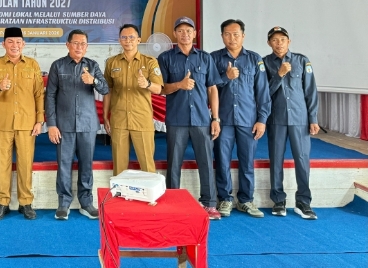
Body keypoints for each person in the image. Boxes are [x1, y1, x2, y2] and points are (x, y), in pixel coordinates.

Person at [157, 17, 222, 220]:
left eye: (188, 30)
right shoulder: (165, 58)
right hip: (177, 119)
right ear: (175, 34)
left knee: (206, 161)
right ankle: (172, 202)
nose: (184, 34)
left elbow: (212, 89)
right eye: (180, 31)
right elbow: (161, 89)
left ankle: (209, 203)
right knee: (174, 163)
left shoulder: (205, 58)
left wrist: (215, 118)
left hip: (202, 119)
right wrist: (179, 85)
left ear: (195, 34)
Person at [210, 19, 271, 219]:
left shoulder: (255, 59)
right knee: (222, 160)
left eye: (236, 34)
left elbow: (263, 92)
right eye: (227, 34)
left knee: (247, 162)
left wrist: (262, 119)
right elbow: (208, 89)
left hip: (248, 120)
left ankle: (245, 200)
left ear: (243, 36)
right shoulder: (214, 58)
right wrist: (225, 77)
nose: (232, 38)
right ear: (222, 36)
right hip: (223, 120)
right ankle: (225, 199)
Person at [45, 29, 109, 221]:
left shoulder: (92, 65)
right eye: (76, 43)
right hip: (63, 125)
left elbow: (105, 89)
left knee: (86, 164)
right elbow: (50, 96)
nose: (79, 47)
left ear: (87, 47)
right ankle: (63, 203)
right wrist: (51, 124)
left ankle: (86, 203)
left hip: (87, 124)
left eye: (83, 44)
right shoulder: (57, 66)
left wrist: (93, 80)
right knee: (64, 164)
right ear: (68, 45)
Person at [0, 27, 44, 221]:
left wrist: (40, 120)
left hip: (27, 123)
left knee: (25, 163)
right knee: (2, 164)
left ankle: (26, 203)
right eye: (10, 41)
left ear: (23, 44)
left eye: (18, 42)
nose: (14, 45)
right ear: (3, 44)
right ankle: (2, 202)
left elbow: (39, 94)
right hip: (3, 123)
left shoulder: (32, 64)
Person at [263, 26, 319, 220]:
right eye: (274, 40)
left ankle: (303, 202)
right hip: (276, 119)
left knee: (302, 159)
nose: (279, 43)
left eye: (282, 39)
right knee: (276, 159)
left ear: (289, 41)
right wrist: (278, 75)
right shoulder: (264, 63)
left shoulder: (301, 61)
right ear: (269, 43)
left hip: (299, 119)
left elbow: (310, 91)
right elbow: (264, 93)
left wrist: (313, 118)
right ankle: (278, 200)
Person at [103, 24, 163, 175]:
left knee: (147, 165)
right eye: (124, 37)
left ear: (138, 40)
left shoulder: (149, 62)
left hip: (141, 119)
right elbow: (107, 91)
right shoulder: (112, 62)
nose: (128, 40)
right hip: (119, 120)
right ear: (119, 40)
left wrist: (147, 84)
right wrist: (105, 116)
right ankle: (119, 191)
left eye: (131, 37)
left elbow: (159, 89)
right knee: (119, 167)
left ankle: (150, 191)